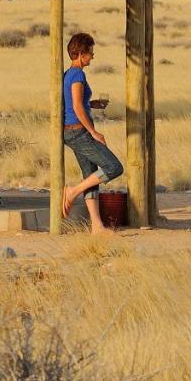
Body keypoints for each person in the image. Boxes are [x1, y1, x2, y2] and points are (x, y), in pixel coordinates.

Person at [59, 32, 124, 233]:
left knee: (92, 175)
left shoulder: (68, 74)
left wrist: (92, 104)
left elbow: (74, 103)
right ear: (80, 54)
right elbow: (77, 107)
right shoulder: (78, 74)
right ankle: (72, 192)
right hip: (78, 132)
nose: (92, 56)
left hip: (71, 131)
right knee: (113, 167)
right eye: (90, 52)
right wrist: (94, 132)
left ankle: (97, 226)